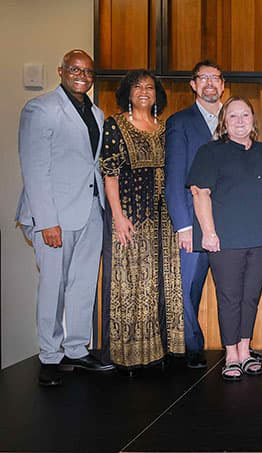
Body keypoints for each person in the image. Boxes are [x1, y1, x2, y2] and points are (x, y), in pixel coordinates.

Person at [17, 49, 113, 386]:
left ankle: (75, 349)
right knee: (53, 286)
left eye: (87, 71)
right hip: (55, 215)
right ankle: (50, 356)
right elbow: (34, 167)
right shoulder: (40, 109)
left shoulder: (97, 114)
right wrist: (47, 221)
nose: (81, 76)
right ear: (61, 71)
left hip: (90, 211)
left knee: (83, 284)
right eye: (75, 69)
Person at [188, 97, 262, 381]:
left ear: (253, 120)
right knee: (229, 298)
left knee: (250, 297)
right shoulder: (210, 152)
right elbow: (199, 192)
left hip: (260, 237)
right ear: (224, 123)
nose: (240, 121)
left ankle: (245, 348)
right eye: (233, 117)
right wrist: (209, 232)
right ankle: (230, 353)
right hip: (225, 238)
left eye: (245, 115)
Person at [100, 69, 185, 370]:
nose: (144, 91)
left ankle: (161, 352)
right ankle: (130, 356)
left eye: (149, 87)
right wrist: (118, 216)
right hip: (132, 215)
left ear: (157, 95)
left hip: (164, 219)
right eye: (137, 87)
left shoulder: (164, 129)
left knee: (161, 282)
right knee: (133, 283)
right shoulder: (116, 125)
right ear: (128, 93)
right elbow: (109, 175)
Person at [166, 60, 225, 369]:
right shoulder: (180, 122)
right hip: (193, 221)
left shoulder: (234, 119)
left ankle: (236, 347)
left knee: (230, 290)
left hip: (228, 221)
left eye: (215, 78)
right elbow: (174, 175)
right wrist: (183, 224)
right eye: (203, 78)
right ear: (193, 84)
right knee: (189, 288)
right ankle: (191, 346)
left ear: (223, 84)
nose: (210, 84)